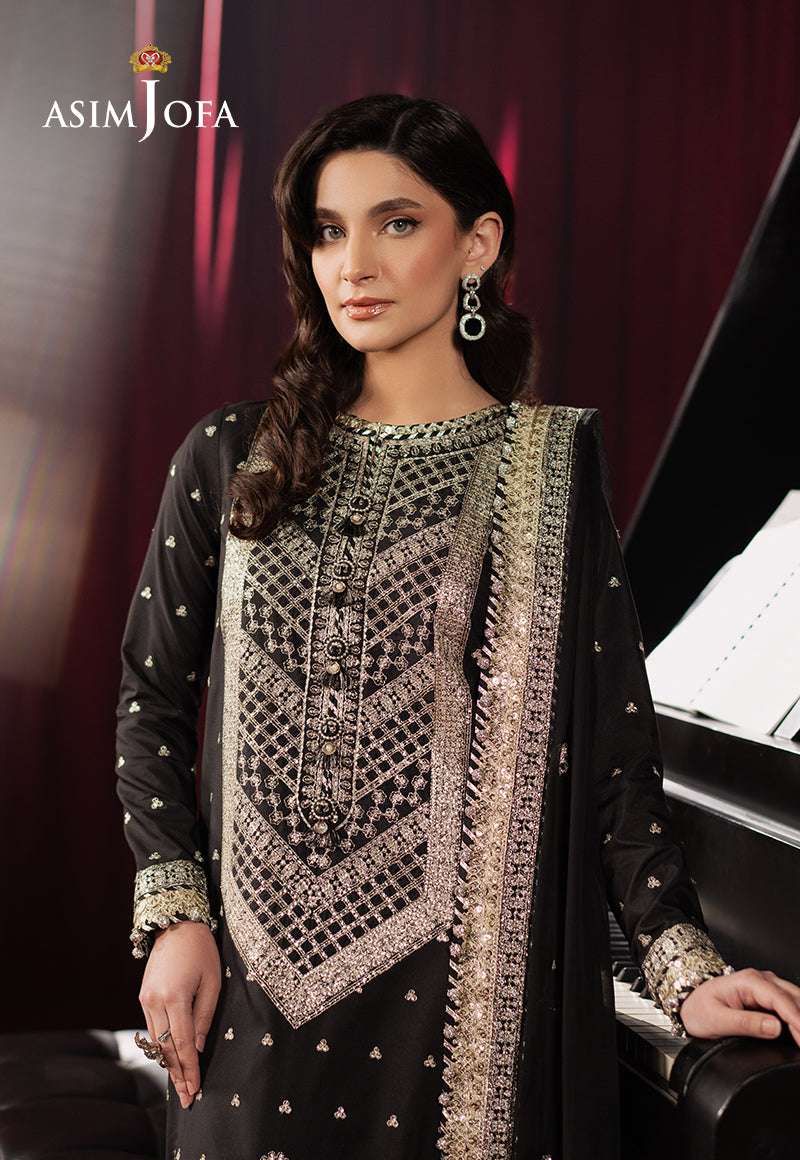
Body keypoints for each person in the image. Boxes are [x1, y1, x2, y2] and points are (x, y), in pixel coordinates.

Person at [116, 94, 800, 1160]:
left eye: (396, 223)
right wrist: (175, 914)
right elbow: (151, 701)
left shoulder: (547, 470)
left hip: (454, 1011)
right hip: (245, 996)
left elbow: (615, 760)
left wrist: (682, 968)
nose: (354, 264)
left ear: (477, 244)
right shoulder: (230, 455)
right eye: (328, 231)